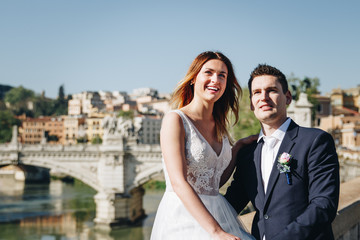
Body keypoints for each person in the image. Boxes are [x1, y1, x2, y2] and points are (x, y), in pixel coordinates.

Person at [225, 64, 340, 240]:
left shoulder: (316, 141)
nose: (263, 97)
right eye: (257, 92)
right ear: (251, 104)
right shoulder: (248, 153)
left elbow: (324, 204)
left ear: (287, 98)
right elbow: (230, 205)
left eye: (271, 90)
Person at [150, 51, 255, 240]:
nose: (215, 79)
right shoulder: (175, 119)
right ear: (193, 78)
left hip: (217, 212)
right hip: (184, 217)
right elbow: (178, 182)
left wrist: (237, 148)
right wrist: (216, 232)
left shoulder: (220, 126)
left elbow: (214, 182)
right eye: (209, 72)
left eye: (222, 75)